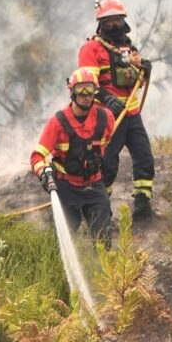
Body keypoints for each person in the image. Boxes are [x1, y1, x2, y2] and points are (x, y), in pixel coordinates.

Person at [78, 0, 156, 219]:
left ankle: (143, 209)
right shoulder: (91, 49)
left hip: (132, 116)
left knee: (145, 160)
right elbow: (86, 83)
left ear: (124, 20)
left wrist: (144, 69)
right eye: (108, 20)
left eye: (117, 20)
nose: (113, 25)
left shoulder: (128, 48)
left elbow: (136, 78)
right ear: (100, 23)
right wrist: (105, 97)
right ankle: (101, 215)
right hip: (107, 117)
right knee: (106, 167)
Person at [30, 67, 115, 242]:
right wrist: (44, 173)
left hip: (94, 185)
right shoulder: (58, 122)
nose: (86, 95)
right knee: (61, 239)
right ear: (72, 92)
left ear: (95, 91)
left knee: (104, 237)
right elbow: (37, 156)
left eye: (90, 89)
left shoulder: (105, 118)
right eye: (80, 89)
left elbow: (106, 148)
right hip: (66, 187)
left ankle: (101, 268)